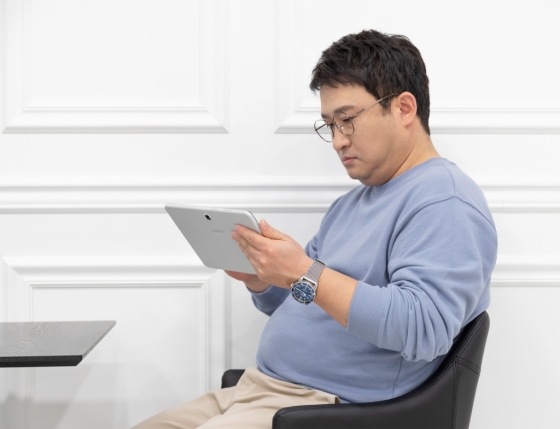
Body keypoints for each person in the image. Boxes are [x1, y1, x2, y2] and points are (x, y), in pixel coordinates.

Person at [132, 29, 497, 429]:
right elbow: (307, 298)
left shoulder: (445, 201)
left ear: (404, 108)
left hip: (323, 408)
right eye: (329, 125)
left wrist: (303, 271)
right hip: (257, 390)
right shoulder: (350, 205)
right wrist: (263, 279)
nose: (337, 141)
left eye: (347, 120)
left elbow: (423, 330)